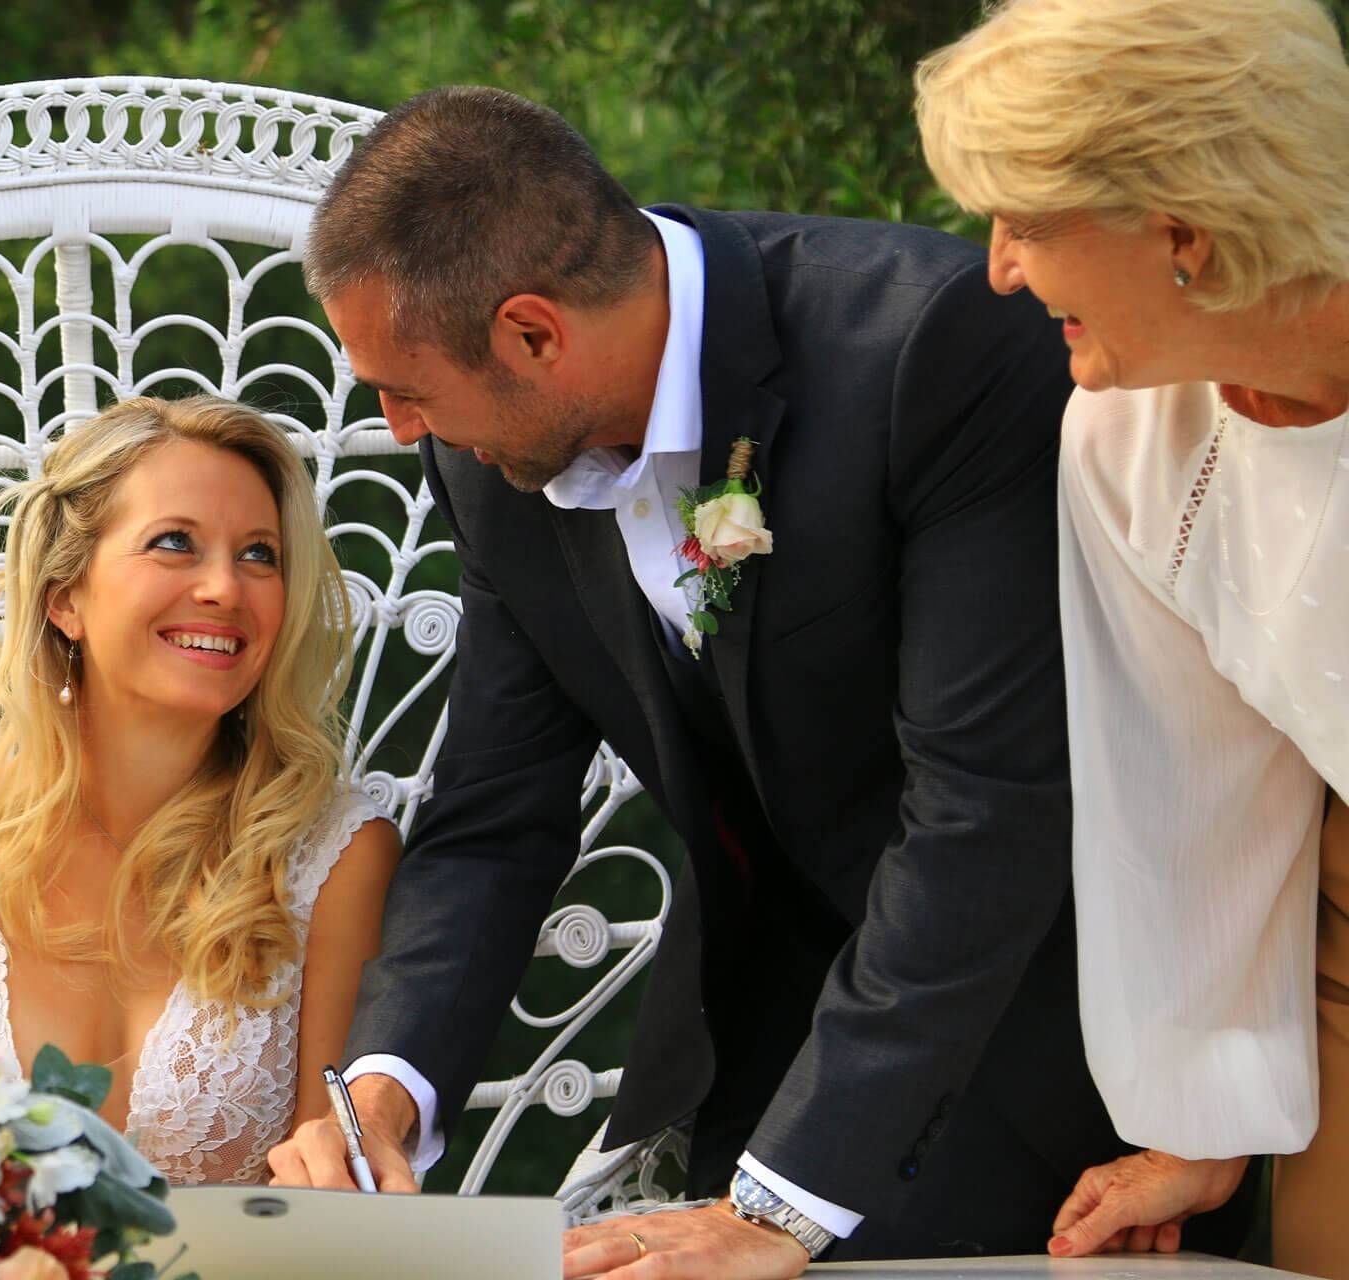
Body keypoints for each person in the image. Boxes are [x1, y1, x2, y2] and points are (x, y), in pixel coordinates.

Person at [262, 85, 1241, 1275]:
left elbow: (985, 809)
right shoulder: (493, 461)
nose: (398, 427)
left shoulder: (929, 349)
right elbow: (494, 815)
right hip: (747, 1055)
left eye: (405, 389)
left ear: (532, 333)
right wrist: (385, 1092)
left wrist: (778, 1206)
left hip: (1026, 1045)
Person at [915, 1, 1349, 1273]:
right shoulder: (1124, 438)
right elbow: (1186, 787)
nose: (997, 268)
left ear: (1185, 229)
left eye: (1028, 224)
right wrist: (1205, 1114)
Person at [0, 394, 401, 1185]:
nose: (225, 587)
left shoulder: (333, 853)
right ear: (65, 598)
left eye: (260, 555)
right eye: (175, 543)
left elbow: (333, 1197)